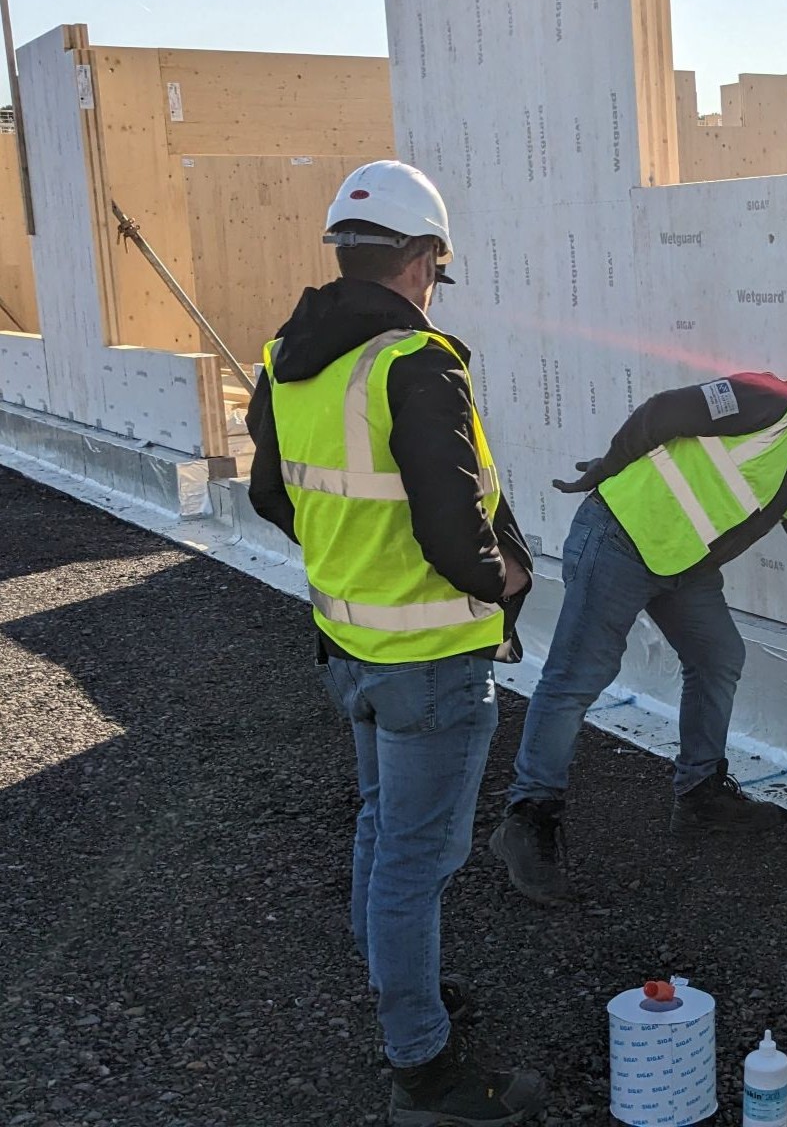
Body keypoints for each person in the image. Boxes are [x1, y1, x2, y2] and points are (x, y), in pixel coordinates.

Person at [246, 160, 546, 1126]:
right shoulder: (413, 362)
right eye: (435, 272)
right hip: (429, 663)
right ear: (420, 259)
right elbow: (455, 534)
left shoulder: (286, 353)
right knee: (418, 861)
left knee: (382, 829)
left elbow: (269, 495)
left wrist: (348, 559)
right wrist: (510, 578)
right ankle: (423, 1068)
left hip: (349, 645)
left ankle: (396, 988)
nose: (432, 289)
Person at [490, 350, 787, 904]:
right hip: (621, 536)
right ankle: (527, 818)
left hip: (681, 565)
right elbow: (662, 413)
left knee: (719, 655)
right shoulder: (769, 401)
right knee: (579, 675)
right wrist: (607, 468)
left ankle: (699, 795)